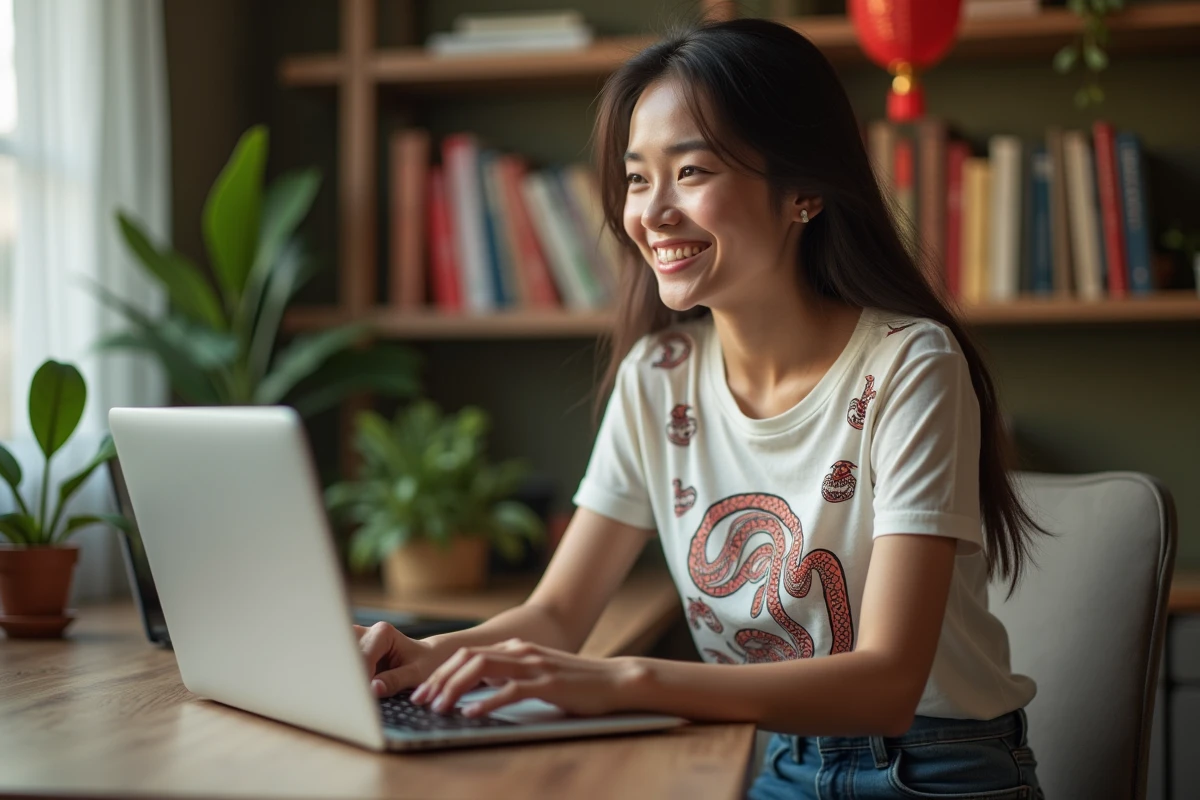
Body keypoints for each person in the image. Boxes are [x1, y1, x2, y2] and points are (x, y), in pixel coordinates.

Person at [355, 17, 1047, 799]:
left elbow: (887, 682)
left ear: (805, 191)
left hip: (931, 767)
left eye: (690, 172)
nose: (650, 212)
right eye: (638, 178)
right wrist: (427, 654)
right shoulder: (660, 375)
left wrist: (625, 680)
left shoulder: (909, 365)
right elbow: (555, 615)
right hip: (768, 758)